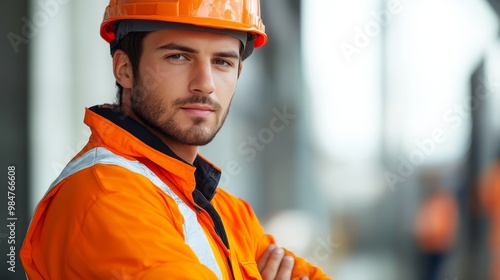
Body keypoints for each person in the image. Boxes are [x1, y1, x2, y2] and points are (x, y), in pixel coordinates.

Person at [20, 0, 332, 279]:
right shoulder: (105, 195)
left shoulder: (224, 210)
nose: (205, 85)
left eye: (222, 62)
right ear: (124, 69)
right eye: (179, 56)